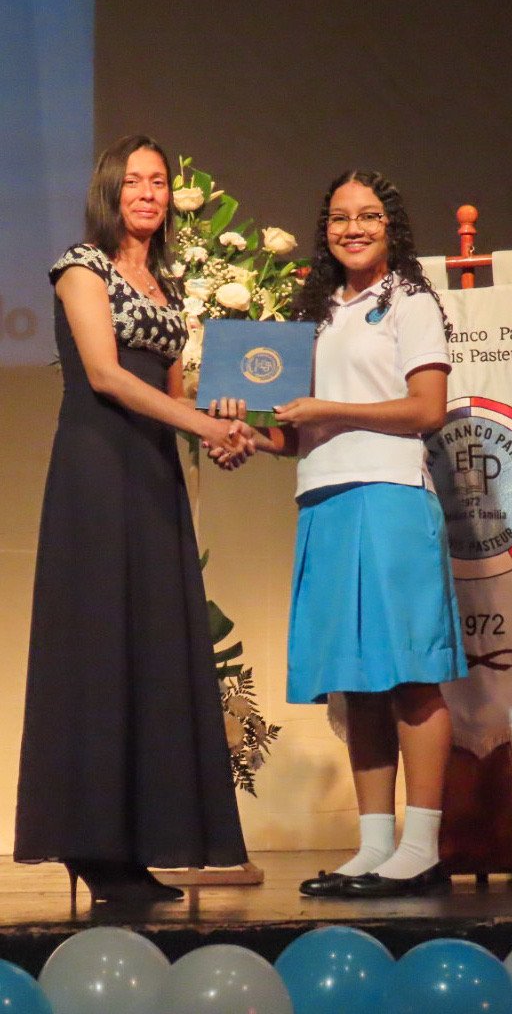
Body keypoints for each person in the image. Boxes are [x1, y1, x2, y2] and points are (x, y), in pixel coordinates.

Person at [212, 170, 467, 897]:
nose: (353, 228)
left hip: (390, 496)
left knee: (409, 675)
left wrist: (329, 407)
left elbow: (426, 409)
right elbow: (299, 434)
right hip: (324, 500)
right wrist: (248, 437)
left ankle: (421, 849)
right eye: (339, 217)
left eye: (368, 215)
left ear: (392, 226)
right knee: (357, 684)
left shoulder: (411, 301)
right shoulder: (316, 313)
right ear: (324, 229)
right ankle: (375, 847)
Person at [14, 134, 252, 904]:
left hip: (152, 473)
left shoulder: (166, 284)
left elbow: (175, 396)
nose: (147, 193)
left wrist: (220, 432)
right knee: (98, 646)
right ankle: (89, 842)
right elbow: (106, 375)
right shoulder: (80, 268)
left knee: (150, 647)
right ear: (110, 191)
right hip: (95, 472)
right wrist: (199, 425)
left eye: (158, 182)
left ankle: (137, 842)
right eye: (134, 181)